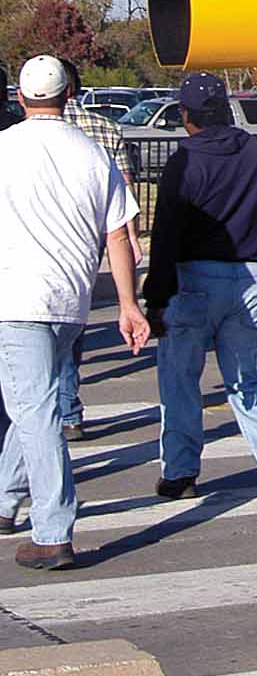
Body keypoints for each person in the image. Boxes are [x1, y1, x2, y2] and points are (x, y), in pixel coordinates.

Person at [0, 55, 148, 569]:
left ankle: (53, 530)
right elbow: (118, 236)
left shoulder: (4, 150)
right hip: (71, 301)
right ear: (69, 96)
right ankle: (4, 498)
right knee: (31, 402)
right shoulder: (92, 154)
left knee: (35, 411)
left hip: (16, 298)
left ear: (20, 98)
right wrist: (129, 304)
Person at [144, 72, 257, 509]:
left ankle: (180, 472)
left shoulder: (185, 161)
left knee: (180, 379)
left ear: (185, 115)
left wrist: (156, 297)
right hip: (253, 274)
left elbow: (165, 235)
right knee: (251, 375)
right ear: (225, 108)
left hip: (193, 279)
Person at [58, 59, 141, 443]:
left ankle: (59, 410)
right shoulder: (104, 129)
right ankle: (69, 409)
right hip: (89, 241)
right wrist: (132, 237)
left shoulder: (19, 135)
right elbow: (124, 187)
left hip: (36, 241)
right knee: (72, 325)